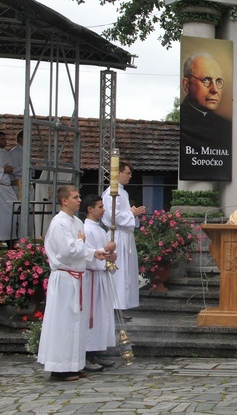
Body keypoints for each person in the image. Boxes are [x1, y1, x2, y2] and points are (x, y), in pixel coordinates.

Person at [37, 186, 114, 381]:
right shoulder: (58, 223)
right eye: (75, 197)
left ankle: (74, 364)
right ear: (64, 201)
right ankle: (59, 368)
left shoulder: (77, 221)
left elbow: (81, 250)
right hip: (64, 278)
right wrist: (81, 244)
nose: (79, 200)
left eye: (79, 197)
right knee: (63, 323)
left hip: (77, 277)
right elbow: (67, 251)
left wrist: (94, 252)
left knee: (76, 323)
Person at [102, 160, 146, 315]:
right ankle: (114, 306)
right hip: (117, 236)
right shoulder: (111, 193)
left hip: (126, 236)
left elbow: (124, 214)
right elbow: (113, 216)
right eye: (127, 173)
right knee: (118, 272)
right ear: (118, 173)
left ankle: (123, 305)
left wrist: (132, 213)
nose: (130, 176)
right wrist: (131, 214)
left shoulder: (124, 192)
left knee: (127, 272)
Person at [180, 52, 232, 180]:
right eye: (207, 80)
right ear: (187, 85)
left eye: (218, 81)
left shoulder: (225, 125)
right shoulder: (184, 124)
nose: (214, 89)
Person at [81, 194, 118, 372]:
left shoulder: (100, 229)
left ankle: (96, 352)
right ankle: (86, 355)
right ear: (90, 209)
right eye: (100, 207)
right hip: (91, 278)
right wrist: (105, 252)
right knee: (91, 317)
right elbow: (87, 255)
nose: (104, 210)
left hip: (101, 277)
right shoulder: (85, 229)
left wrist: (111, 257)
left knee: (101, 316)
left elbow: (104, 254)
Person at [0, 131, 15, 247]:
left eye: (5, 139)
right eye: (2, 139)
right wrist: (3, 170)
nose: (5, 141)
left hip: (6, 189)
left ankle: (10, 239)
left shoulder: (6, 153)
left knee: (11, 215)